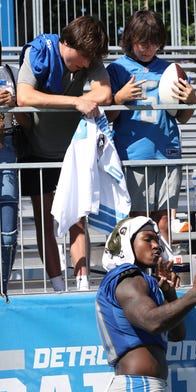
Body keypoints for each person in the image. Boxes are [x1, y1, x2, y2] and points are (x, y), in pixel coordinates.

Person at [16, 16, 112, 291]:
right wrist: (75, 101)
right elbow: (25, 97)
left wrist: (87, 96)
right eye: (81, 57)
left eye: (89, 60)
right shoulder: (40, 51)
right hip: (38, 151)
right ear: (66, 42)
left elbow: (104, 94)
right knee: (45, 221)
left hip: (73, 153)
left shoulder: (89, 58)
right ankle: (58, 285)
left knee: (77, 219)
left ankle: (82, 284)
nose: (85, 64)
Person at [96, 216, 196, 392]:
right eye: (148, 239)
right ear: (126, 242)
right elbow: (152, 322)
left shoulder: (141, 280)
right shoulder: (127, 278)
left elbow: (177, 334)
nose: (156, 245)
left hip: (147, 388)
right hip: (138, 391)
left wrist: (169, 293)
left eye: (156, 240)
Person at [106, 10, 196, 242]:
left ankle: (162, 276)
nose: (148, 48)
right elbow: (107, 116)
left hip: (167, 154)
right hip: (134, 156)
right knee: (137, 223)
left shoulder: (170, 70)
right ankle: (139, 277)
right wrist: (119, 98)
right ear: (130, 39)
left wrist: (191, 101)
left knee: (164, 222)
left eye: (154, 42)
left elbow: (183, 118)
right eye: (142, 42)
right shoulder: (117, 69)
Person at [0, 43, 32, 301]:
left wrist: (14, 105)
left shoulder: (11, 72)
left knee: (9, 233)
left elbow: (28, 120)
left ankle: (3, 289)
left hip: (8, 146)